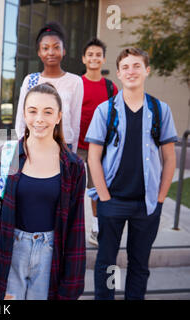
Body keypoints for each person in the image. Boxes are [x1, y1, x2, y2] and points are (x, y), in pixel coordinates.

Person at [86, 48, 177, 300]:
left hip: (146, 204)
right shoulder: (106, 111)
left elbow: (169, 157)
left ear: (147, 71)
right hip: (112, 201)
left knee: (139, 265)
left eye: (137, 66)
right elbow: (93, 157)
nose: (131, 71)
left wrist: (160, 198)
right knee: (107, 263)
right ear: (118, 73)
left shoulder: (160, 110)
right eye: (125, 67)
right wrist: (103, 197)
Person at [0, 83, 86, 300]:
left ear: (59, 116)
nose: (39, 119)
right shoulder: (6, 156)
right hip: (10, 250)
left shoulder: (73, 165)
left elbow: (76, 226)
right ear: (24, 113)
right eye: (32, 111)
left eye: (48, 112)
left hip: (50, 254)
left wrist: (72, 280)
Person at [14, 22, 83, 152]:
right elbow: (20, 120)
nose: (51, 52)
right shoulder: (31, 80)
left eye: (56, 47)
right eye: (45, 48)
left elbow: (75, 122)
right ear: (39, 52)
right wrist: (23, 147)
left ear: (63, 51)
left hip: (64, 145)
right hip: (34, 144)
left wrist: (72, 153)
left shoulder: (75, 82)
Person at [78, 38, 118, 246]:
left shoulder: (111, 87)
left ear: (103, 59)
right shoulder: (77, 83)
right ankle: (72, 229)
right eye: (90, 54)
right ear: (84, 58)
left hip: (100, 147)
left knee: (96, 189)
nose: (94, 58)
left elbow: (117, 117)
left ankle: (95, 228)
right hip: (76, 145)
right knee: (72, 189)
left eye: (98, 54)